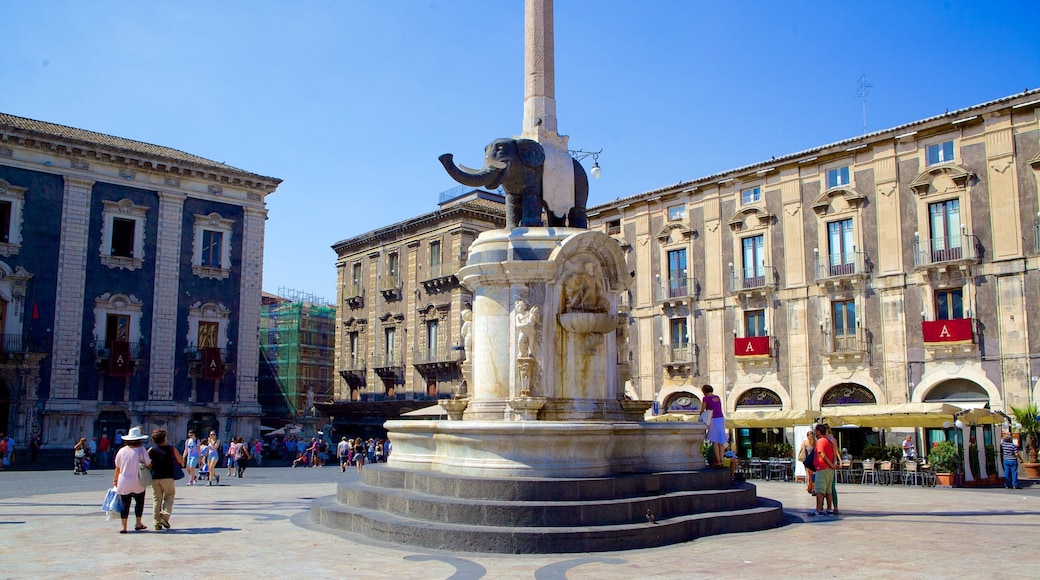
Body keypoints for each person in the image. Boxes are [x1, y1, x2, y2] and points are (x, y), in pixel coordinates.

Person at [112, 426, 152, 533]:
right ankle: (138, 523)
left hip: (124, 481)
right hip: (138, 480)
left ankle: (123, 526)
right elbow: (149, 464)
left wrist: (115, 480)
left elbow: (117, 467)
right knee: (139, 502)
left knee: (125, 503)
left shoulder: (121, 451)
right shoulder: (142, 450)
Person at [148, 428, 184, 530]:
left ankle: (156, 523)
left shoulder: (152, 450)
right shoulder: (171, 449)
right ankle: (165, 516)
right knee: (169, 497)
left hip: (155, 477)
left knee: (156, 500)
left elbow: (146, 463)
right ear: (164, 439)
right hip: (168, 477)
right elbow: (180, 460)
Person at [809, 423, 838, 517]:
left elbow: (822, 454)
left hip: (822, 468)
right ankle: (829, 509)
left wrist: (830, 464)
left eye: (815, 431)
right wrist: (832, 465)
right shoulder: (828, 441)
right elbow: (833, 454)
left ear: (818, 431)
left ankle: (819, 510)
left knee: (820, 490)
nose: (814, 433)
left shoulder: (821, 441)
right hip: (829, 470)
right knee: (828, 490)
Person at [700, 385, 726, 468]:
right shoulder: (717, 397)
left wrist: (700, 417)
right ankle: (721, 461)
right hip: (721, 418)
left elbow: (703, 410)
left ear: (704, 391)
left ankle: (718, 461)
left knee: (715, 441)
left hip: (713, 419)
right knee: (721, 441)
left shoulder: (706, 398)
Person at [798, 430, 816, 495]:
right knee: (813, 474)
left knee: (809, 475)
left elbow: (801, 451)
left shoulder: (805, 443)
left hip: (807, 461)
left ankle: (809, 487)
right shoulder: (816, 442)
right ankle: (812, 487)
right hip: (814, 461)